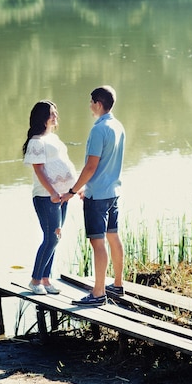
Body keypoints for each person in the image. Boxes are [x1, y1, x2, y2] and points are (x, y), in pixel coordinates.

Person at [62, 85, 126, 306]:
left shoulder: (98, 130)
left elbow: (91, 166)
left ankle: (98, 294)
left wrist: (72, 191)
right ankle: (117, 285)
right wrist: (84, 188)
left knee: (97, 243)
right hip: (113, 192)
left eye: (91, 102)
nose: (89, 107)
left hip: (97, 196)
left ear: (98, 104)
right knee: (113, 237)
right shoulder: (118, 126)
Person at [22, 100, 77, 295]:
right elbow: (39, 170)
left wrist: (76, 188)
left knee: (57, 236)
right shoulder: (36, 142)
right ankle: (35, 279)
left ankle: (46, 279)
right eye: (51, 113)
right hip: (47, 197)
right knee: (51, 238)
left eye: (55, 112)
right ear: (41, 117)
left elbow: (65, 162)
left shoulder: (53, 138)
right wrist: (53, 192)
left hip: (63, 196)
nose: (55, 116)